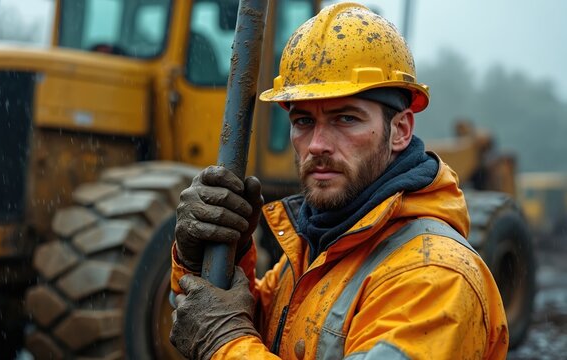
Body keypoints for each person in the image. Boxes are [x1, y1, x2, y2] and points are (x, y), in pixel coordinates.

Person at [169, 2, 508, 359]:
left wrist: (224, 343)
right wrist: (203, 262)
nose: (316, 145)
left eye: (346, 119)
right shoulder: (319, 245)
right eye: (303, 121)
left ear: (400, 130)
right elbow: (258, 330)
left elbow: (230, 336)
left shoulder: (435, 277)